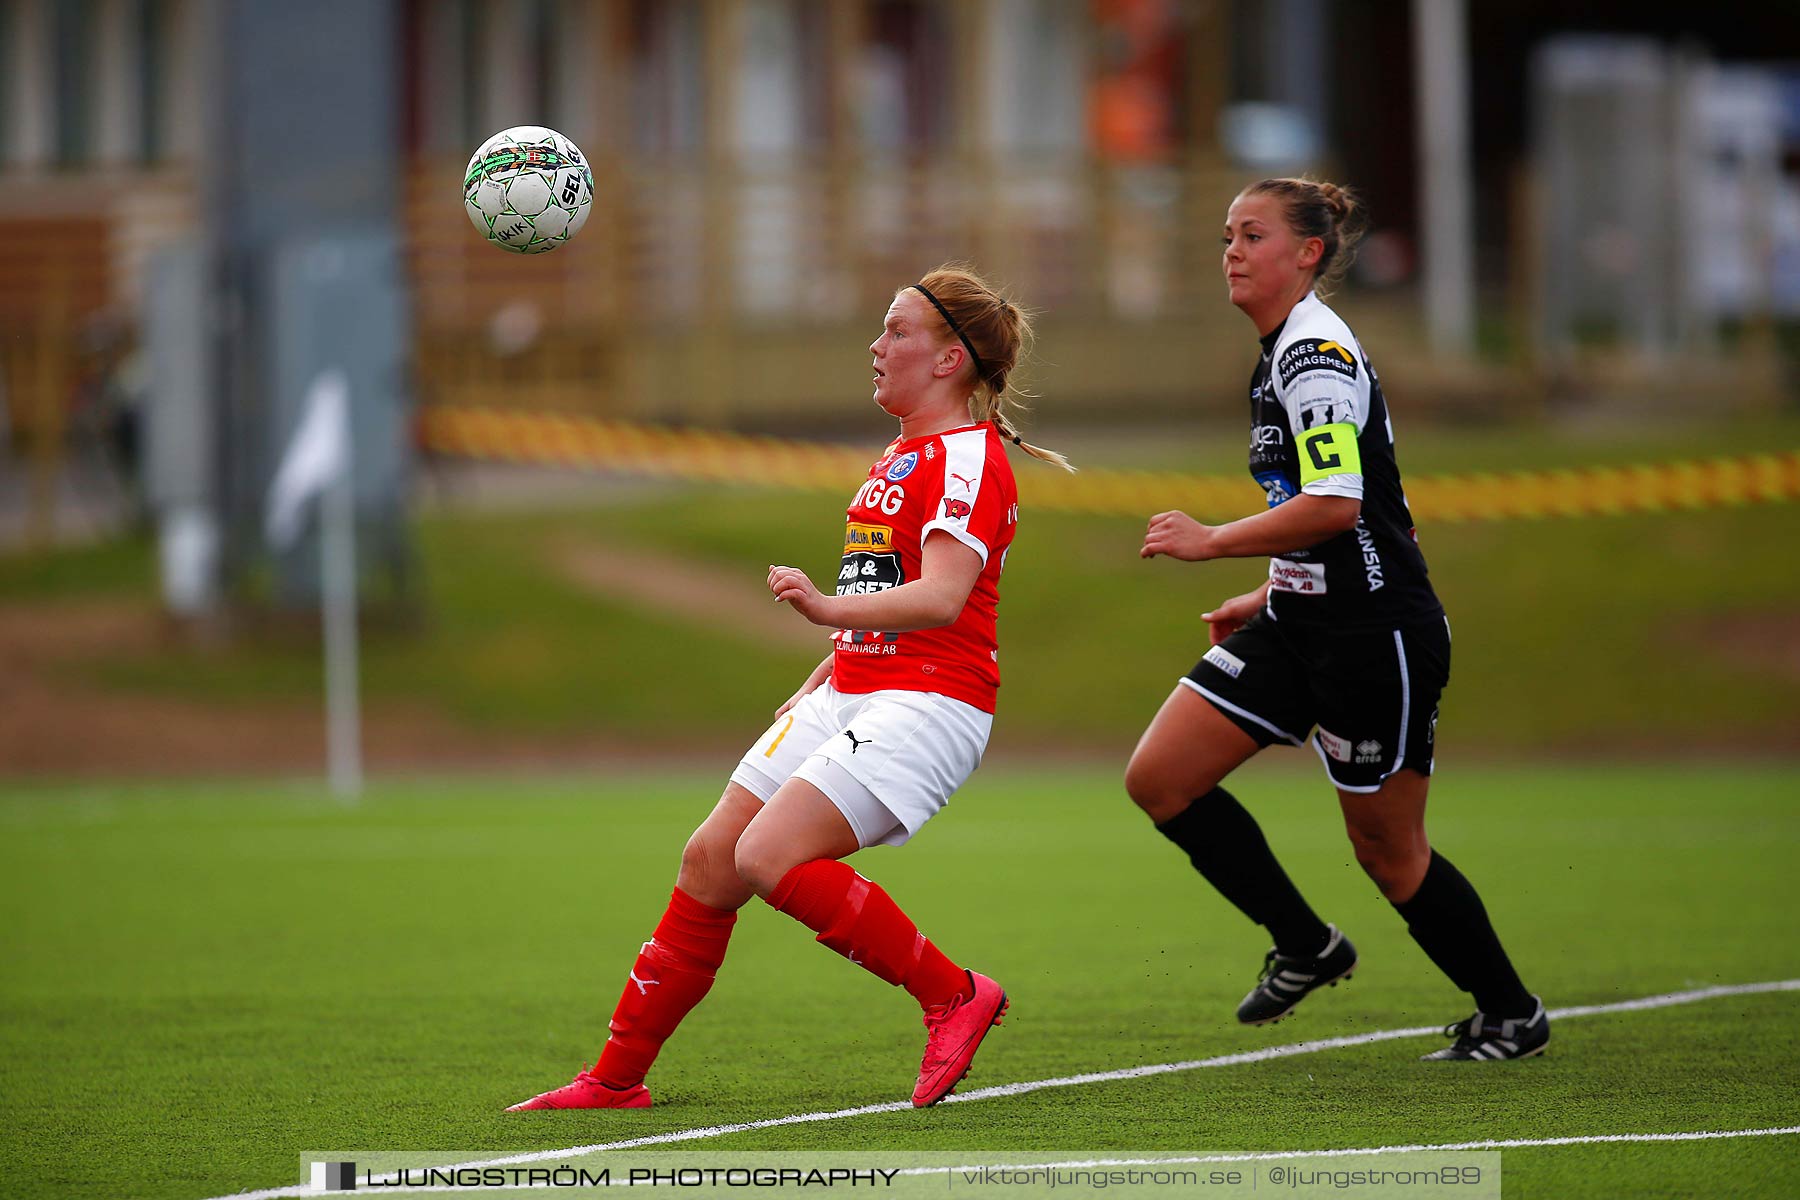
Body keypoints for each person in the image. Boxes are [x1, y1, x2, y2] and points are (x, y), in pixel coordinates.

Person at [508, 266, 1074, 1112]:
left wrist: (822, 607)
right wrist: (831, 662)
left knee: (766, 857)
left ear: (951, 359)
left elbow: (945, 595)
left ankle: (953, 994)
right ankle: (615, 1081)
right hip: (860, 685)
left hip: (930, 701)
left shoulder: (965, 457)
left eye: (896, 331)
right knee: (709, 861)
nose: (876, 346)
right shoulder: (905, 450)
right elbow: (894, 586)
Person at [1126, 178, 1548, 1062]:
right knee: (1161, 777)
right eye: (1226, 236)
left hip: (1373, 637)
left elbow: (1336, 505)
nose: (1231, 252)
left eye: (1251, 235)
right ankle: (1308, 944)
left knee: (1389, 854)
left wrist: (1213, 544)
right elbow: (1349, 507)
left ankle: (1512, 1013)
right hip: (1302, 620)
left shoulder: (1315, 354)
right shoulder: (1281, 350)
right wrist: (1272, 590)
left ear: (1308, 253)